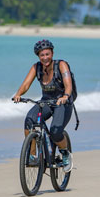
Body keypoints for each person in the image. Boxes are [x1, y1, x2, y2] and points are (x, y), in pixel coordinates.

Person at [13, 39, 74, 172]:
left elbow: (68, 84)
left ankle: (64, 153)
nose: (45, 58)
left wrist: (65, 96)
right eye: (42, 55)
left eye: (47, 54)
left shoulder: (61, 65)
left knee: (56, 131)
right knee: (30, 120)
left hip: (62, 103)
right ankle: (33, 155)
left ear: (52, 53)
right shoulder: (36, 67)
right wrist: (18, 94)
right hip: (46, 101)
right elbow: (26, 84)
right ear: (38, 56)